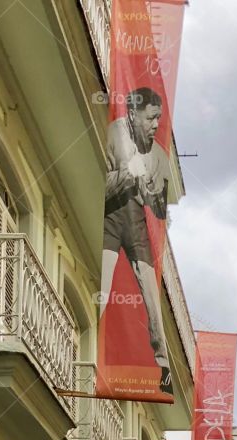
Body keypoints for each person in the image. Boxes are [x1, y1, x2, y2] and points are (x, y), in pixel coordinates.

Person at [101, 87, 172, 395]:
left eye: (158, 119)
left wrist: (156, 195)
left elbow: (160, 210)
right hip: (110, 217)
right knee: (101, 289)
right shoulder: (113, 134)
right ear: (132, 114)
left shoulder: (157, 155)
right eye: (151, 118)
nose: (155, 125)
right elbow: (100, 186)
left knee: (153, 299)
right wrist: (128, 174)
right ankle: (87, 343)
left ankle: (164, 369)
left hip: (137, 224)